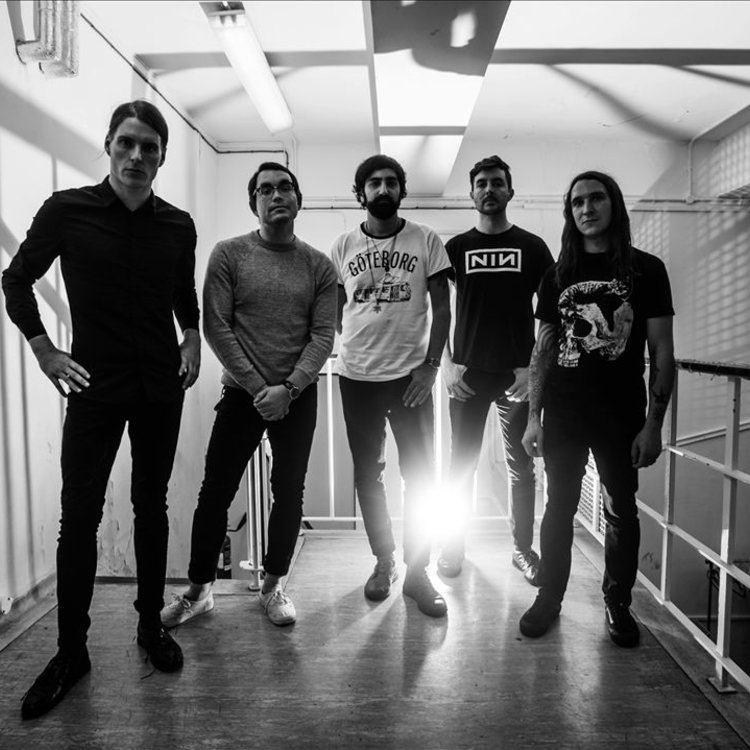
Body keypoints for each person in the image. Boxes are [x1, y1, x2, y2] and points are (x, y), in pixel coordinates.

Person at [2, 100, 201, 719]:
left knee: (150, 506)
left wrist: (192, 337)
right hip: (93, 385)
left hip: (159, 386)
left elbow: (183, 294)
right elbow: (15, 279)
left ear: (161, 157)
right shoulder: (68, 210)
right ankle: (71, 652)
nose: (137, 156)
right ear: (110, 145)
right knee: (80, 517)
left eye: (149, 147)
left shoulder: (178, 225)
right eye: (126, 143)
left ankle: (149, 626)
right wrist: (44, 349)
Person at [160, 162, 336, 629]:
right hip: (243, 396)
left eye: (285, 187)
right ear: (253, 202)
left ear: (298, 199)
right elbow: (216, 327)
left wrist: (290, 388)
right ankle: (199, 592)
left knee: (289, 492)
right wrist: (262, 390)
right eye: (265, 189)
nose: (276, 195)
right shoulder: (229, 254)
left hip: (298, 396)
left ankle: (273, 586)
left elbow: (323, 335)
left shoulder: (319, 265)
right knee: (215, 493)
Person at [519, 170, 675, 646]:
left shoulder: (647, 270)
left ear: (614, 205)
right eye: (577, 202)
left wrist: (653, 425)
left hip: (620, 414)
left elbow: (662, 351)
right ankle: (549, 597)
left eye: (596, 198)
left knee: (620, 509)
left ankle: (618, 603)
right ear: (570, 213)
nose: (586, 208)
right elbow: (543, 351)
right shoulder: (556, 275)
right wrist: (533, 418)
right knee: (558, 508)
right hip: (564, 413)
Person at [331, 154, 451, 618]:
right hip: (357, 377)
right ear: (361, 193)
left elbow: (443, 307)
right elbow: (335, 311)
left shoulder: (425, 239)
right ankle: (384, 562)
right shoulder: (343, 245)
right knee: (369, 474)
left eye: (390, 182)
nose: (383, 190)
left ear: (401, 190)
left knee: (420, 478)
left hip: (410, 380)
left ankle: (417, 572)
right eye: (374, 183)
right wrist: (357, 343)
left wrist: (431, 366)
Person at [439, 155, 554, 581]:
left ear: (510, 191)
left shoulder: (532, 248)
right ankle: (452, 549)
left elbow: (551, 317)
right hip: (467, 376)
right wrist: (446, 365)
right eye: (482, 183)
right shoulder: (456, 248)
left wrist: (532, 370)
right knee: (460, 468)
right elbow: (437, 311)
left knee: (521, 467)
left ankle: (522, 551)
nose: (489, 189)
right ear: (471, 194)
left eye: (497, 182)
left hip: (517, 378)